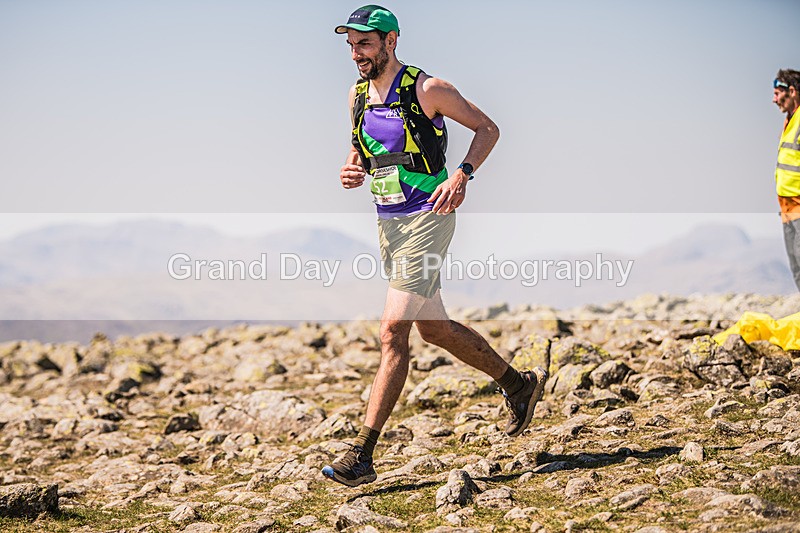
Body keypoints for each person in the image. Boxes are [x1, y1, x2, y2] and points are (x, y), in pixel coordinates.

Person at [322, 5, 548, 488]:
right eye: (351, 45)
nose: (356, 53)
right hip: (389, 223)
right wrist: (352, 168)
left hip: (429, 216)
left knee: (392, 333)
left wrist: (462, 175)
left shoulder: (428, 89)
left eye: (365, 43)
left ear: (391, 41)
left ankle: (362, 455)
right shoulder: (357, 95)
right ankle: (518, 385)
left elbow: (488, 129)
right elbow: (362, 148)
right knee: (435, 329)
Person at [773, 69, 800, 291]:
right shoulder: (789, 121)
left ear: (792, 91)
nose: (774, 100)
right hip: (787, 207)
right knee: (796, 266)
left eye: (777, 94)